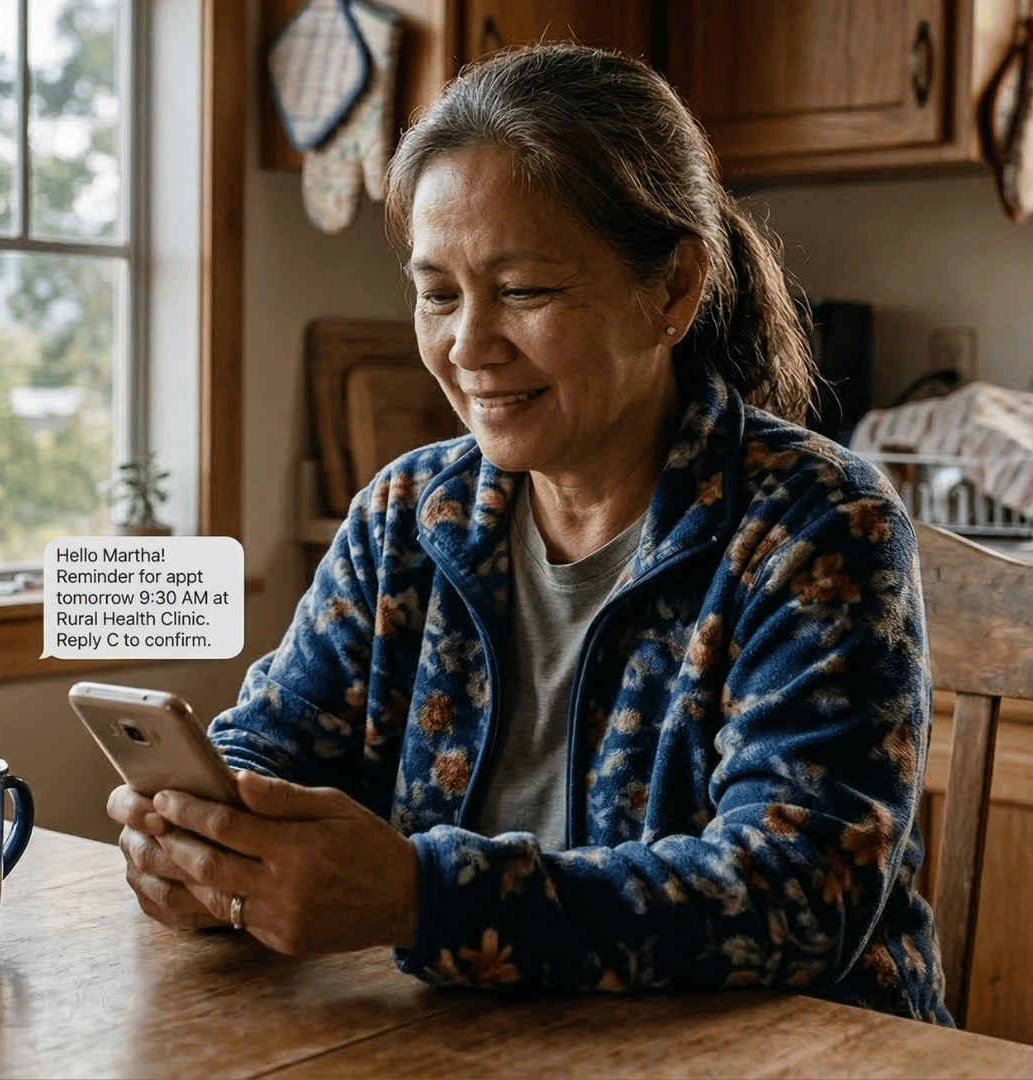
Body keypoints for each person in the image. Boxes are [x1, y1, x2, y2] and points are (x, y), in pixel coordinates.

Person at [107, 43, 948, 1024]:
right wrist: (206, 844)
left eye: (524, 290)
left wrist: (419, 898)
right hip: (486, 1042)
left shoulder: (816, 524)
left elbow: (798, 892)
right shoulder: (405, 518)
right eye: (438, 293)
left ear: (673, 287)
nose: (468, 346)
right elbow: (270, 746)